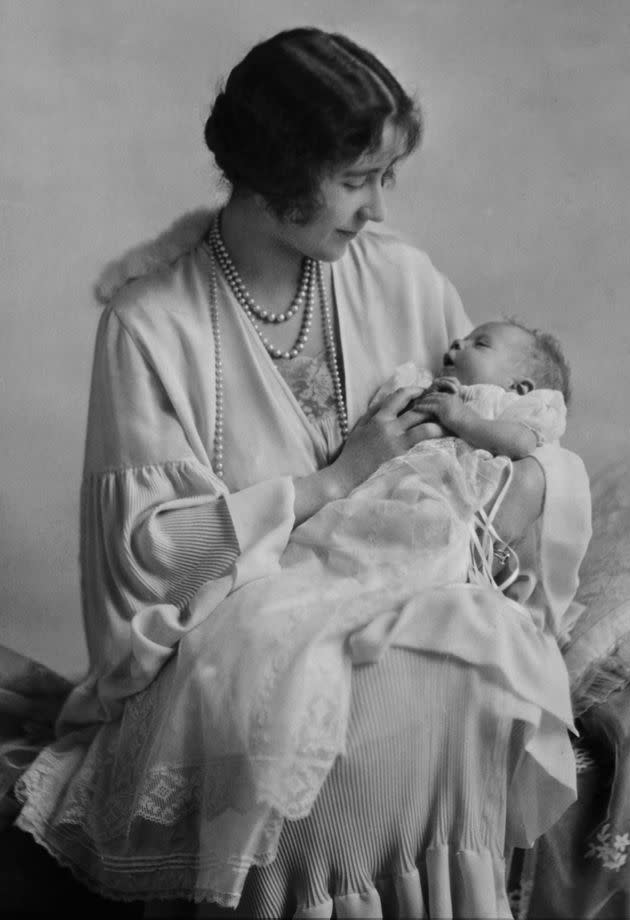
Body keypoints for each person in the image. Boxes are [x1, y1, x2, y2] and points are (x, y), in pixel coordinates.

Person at [13, 27, 592, 918]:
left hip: (398, 602)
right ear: (276, 172)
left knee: (464, 671)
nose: (372, 208)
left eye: (381, 179)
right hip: (231, 641)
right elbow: (152, 559)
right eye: (354, 180)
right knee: (331, 748)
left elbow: (498, 442)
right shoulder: (150, 325)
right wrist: (331, 482)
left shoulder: (397, 275)